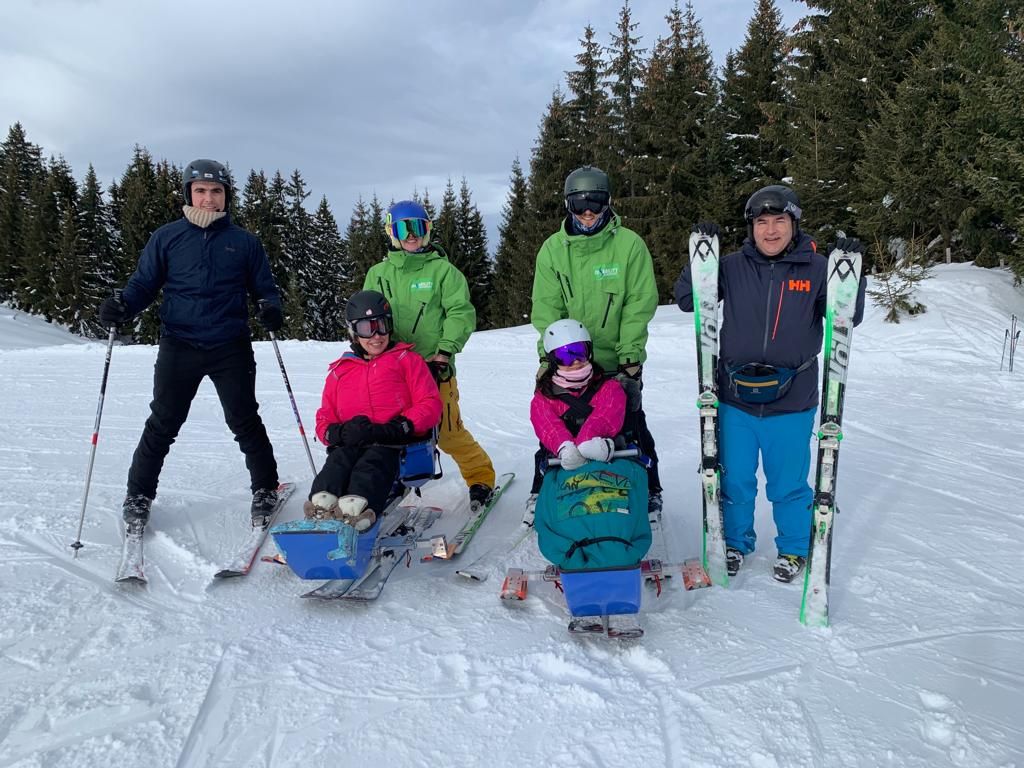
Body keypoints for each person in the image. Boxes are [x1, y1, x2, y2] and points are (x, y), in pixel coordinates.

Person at [674, 184, 867, 583]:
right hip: (734, 397)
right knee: (735, 479)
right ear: (751, 228)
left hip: (791, 399)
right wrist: (701, 254)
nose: (771, 230)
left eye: (779, 220)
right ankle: (735, 541)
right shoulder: (730, 265)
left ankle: (795, 548)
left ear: (794, 224)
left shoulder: (816, 269)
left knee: (788, 484)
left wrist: (851, 272)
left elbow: (850, 315)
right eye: (761, 222)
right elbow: (686, 298)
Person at [97, 158, 285, 536]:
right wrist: (122, 307)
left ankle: (265, 488)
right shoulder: (166, 238)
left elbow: (265, 289)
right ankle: (138, 495)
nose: (208, 199)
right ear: (189, 194)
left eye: (216, 192)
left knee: (244, 419)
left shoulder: (244, 243)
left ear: (226, 196)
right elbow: (143, 286)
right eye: (200, 191)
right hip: (179, 344)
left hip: (229, 345)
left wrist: (270, 308)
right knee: (163, 422)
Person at [530, 165, 661, 520]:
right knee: (555, 420)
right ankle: (544, 484)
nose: (588, 213)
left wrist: (630, 356)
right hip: (569, 357)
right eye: (579, 205)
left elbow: (639, 302)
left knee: (629, 421)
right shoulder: (553, 251)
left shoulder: (628, 246)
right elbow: (546, 307)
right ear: (568, 205)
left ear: (608, 203)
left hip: (616, 357)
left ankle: (649, 486)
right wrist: (551, 356)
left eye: (596, 203)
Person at [363, 200, 496, 511]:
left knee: (447, 432)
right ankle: (394, 480)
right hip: (392, 370)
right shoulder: (378, 274)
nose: (412, 235)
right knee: (392, 429)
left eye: (418, 228)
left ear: (428, 231)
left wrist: (445, 351)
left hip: (433, 368)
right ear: (391, 232)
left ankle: (480, 477)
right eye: (404, 228)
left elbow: (460, 313)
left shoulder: (443, 272)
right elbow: (366, 316)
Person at [307, 290, 442, 531]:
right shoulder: (341, 370)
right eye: (366, 329)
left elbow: (430, 404)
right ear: (354, 332)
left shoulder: (407, 360)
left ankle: (356, 513)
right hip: (352, 442)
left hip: (390, 443)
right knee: (338, 463)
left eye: (381, 326)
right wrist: (339, 433)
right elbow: (325, 416)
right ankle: (320, 507)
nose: (376, 336)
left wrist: (398, 427)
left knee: (371, 465)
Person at [530, 318, 651, 571]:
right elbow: (546, 424)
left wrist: (590, 440)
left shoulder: (609, 387)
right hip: (565, 465)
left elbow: (608, 413)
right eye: (566, 355)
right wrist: (564, 447)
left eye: (580, 352)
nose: (575, 361)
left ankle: (616, 538)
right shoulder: (545, 397)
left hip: (609, 459)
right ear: (553, 360)